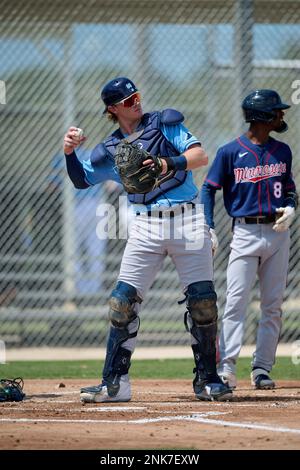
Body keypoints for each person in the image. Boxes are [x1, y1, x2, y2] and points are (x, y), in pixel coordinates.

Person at [63, 76, 232, 403]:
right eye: (127, 101)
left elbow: (199, 156)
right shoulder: (110, 149)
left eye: (136, 96)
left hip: (187, 218)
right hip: (145, 225)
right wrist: (70, 152)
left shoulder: (164, 124)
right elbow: (81, 179)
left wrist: (168, 162)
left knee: (203, 302)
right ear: (112, 109)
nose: (135, 102)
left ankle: (208, 380)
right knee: (122, 303)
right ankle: (114, 384)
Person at [201, 89, 298, 390]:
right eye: (276, 111)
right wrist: (208, 225)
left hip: (278, 233)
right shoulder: (230, 152)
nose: (282, 115)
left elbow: (290, 187)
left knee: (273, 305)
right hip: (243, 232)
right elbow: (208, 188)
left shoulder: (283, 151)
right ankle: (227, 367)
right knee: (236, 302)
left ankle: (262, 368)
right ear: (262, 116)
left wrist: (292, 208)